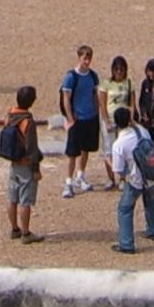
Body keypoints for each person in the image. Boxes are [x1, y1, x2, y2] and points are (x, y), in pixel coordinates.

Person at [108, 106, 154, 251]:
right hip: (151, 174)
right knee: (151, 202)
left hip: (135, 179)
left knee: (125, 209)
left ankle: (126, 244)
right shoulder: (142, 131)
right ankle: (153, 231)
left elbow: (118, 170)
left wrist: (121, 176)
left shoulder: (119, 144)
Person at [3, 84, 47, 244]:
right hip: (25, 164)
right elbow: (31, 148)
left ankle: (15, 229)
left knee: (12, 197)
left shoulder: (10, 115)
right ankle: (26, 233)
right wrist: (36, 169)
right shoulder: (28, 121)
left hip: (13, 162)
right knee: (25, 200)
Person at [59, 44, 101, 197]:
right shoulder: (71, 77)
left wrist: (97, 113)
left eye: (89, 58)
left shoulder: (93, 76)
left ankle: (80, 175)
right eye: (85, 58)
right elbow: (66, 99)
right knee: (72, 153)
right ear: (79, 58)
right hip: (77, 119)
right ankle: (68, 181)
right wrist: (70, 118)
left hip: (90, 118)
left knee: (86, 149)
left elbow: (95, 95)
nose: (87, 61)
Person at [98, 56, 133, 189]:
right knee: (109, 149)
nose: (118, 72)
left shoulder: (128, 83)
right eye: (116, 69)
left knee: (123, 149)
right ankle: (111, 177)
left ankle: (122, 178)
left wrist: (130, 119)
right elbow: (102, 103)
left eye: (121, 70)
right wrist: (106, 121)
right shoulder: (106, 84)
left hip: (123, 121)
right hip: (110, 119)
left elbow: (132, 103)